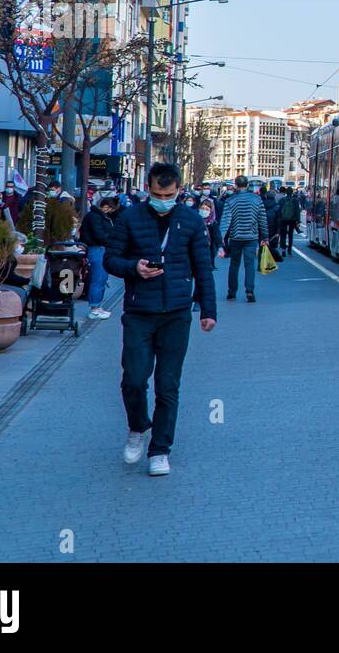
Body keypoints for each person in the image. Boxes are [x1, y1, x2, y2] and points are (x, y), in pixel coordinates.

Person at [103, 162, 216, 477]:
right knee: (134, 380)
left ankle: (160, 450)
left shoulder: (192, 221)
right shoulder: (129, 218)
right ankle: (138, 427)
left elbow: (203, 267)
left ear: (179, 190)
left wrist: (208, 311)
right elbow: (111, 258)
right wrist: (134, 268)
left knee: (168, 385)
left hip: (177, 314)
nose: (161, 199)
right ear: (148, 190)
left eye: (167, 194)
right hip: (139, 312)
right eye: (155, 193)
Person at [220, 174, 269, 302]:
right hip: (251, 237)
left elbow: (225, 221)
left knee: (234, 265)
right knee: (249, 264)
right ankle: (249, 291)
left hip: (235, 237)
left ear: (235, 186)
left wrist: (220, 239)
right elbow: (262, 220)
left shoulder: (230, 201)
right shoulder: (257, 200)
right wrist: (265, 237)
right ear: (247, 185)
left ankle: (232, 292)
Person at [81, 195, 120, 319]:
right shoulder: (95, 217)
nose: (112, 212)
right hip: (97, 249)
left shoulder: (96, 216)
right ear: (106, 207)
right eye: (112, 209)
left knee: (101, 279)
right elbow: (99, 235)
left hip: (99, 248)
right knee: (98, 278)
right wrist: (112, 238)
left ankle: (97, 306)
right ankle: (94, 308)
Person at [278, 186, 300, 255]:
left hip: (283, 219)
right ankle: (289, 250)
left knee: (283, 234)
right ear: (292, 192)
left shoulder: (282, 200)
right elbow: (297, 211)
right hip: (292, 220)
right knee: (290, 235)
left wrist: (279, 219)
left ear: (286, 192)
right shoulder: (295, 200)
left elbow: (279, 210)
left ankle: (283, 249)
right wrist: (298, 220)